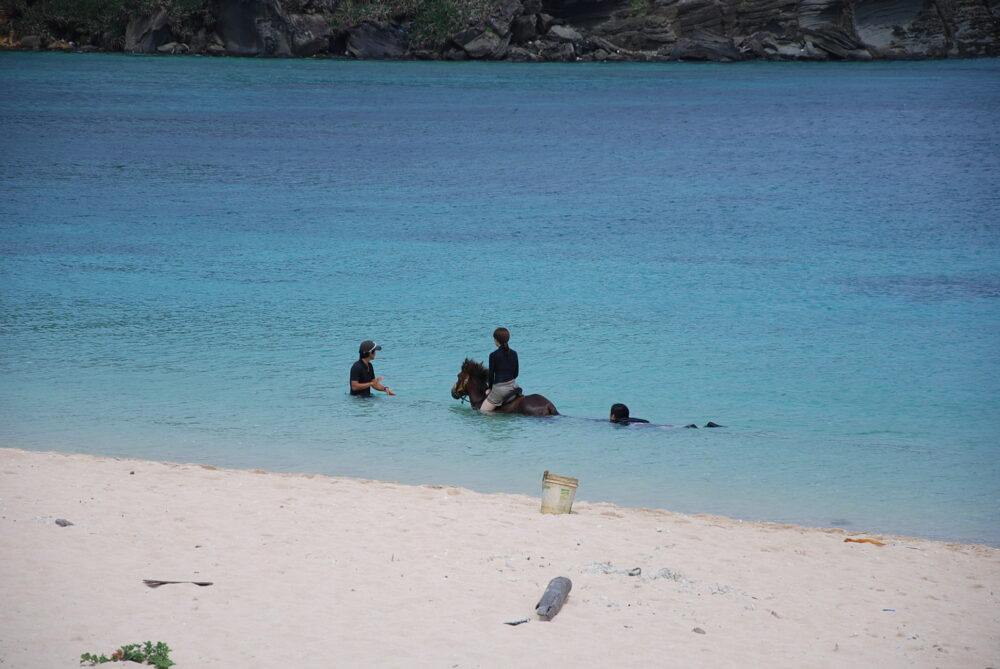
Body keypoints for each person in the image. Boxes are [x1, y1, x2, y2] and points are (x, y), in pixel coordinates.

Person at [481, 327, 519, 412]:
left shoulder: (493, 355)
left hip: (500, 390)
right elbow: (516, 373)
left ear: (496, 340)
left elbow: (491, 376)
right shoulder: (514, 353)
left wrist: (490, 389)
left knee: (483, 412)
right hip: (514, 386)